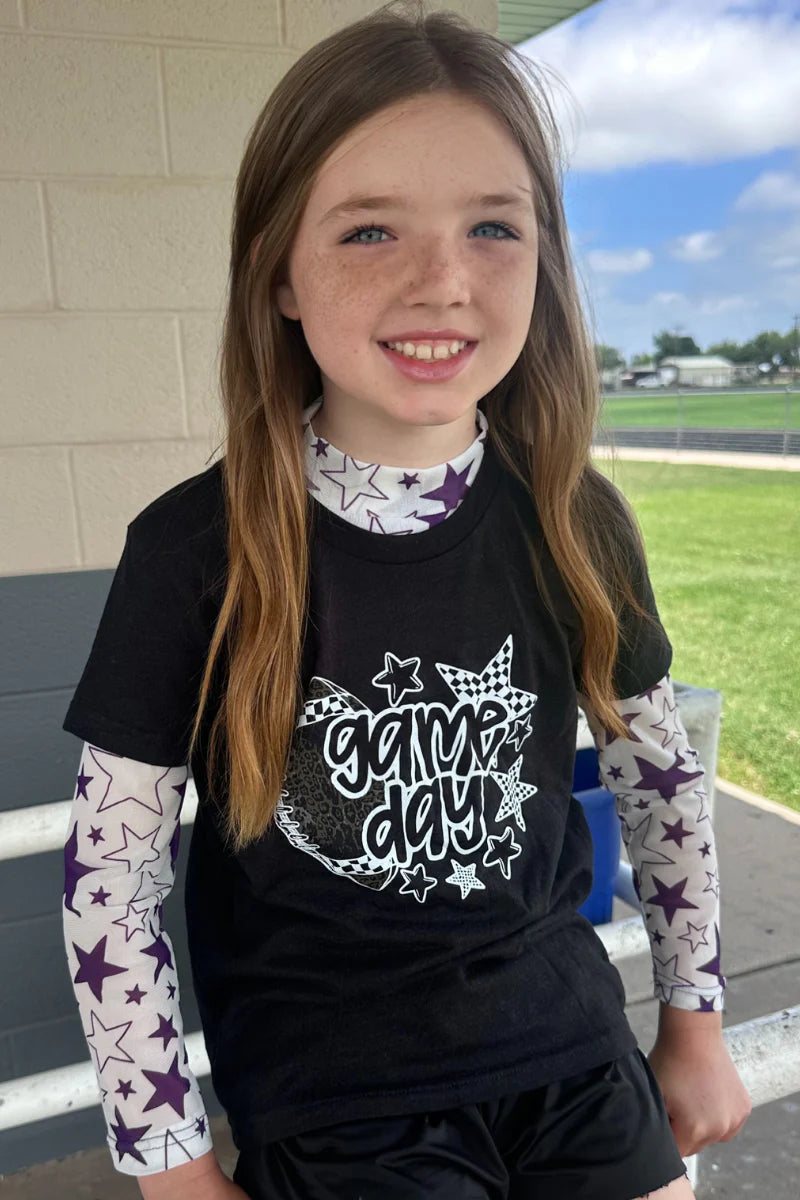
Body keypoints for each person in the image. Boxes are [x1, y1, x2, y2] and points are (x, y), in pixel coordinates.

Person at [60, 2, 751, 1197]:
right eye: (370, 230)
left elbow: (657, 779)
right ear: (278, 272)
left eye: (492, 226)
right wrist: (167, 1163)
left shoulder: (574, 518)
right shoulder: (192, 551)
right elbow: (110, 877)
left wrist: (693, 1022)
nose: (442, 282)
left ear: (544, 261)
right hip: (337, 1098)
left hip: (572, 1053)